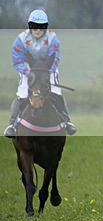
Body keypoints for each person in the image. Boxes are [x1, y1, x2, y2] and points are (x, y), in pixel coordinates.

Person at [4, 9, 77, 137]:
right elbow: (17, 61)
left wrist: (47, 73)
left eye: (41, 27)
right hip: (28, 68)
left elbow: (55, 58)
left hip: (47, 68)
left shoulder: (53, 38)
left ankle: (67, 121)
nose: (38, 30)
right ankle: (12, 125)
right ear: (29, 26)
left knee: (56, 91)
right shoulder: (20, 40)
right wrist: (28, 72)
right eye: (34, 27)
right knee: (22, 92)